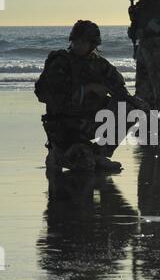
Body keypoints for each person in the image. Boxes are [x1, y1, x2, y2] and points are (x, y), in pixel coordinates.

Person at [35, 20, 146, 172]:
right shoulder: (60, 62)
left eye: (84, 42)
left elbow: (119, 89)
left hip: (88, 122)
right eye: (76, 41)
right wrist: (86, 89)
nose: (79, 45)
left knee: (130, 110)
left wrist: (135, 102)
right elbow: (47, 95)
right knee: (85, 165)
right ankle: (60, 155)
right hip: (64, 125)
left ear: (93, 44)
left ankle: (99, 154)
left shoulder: (99, 64)